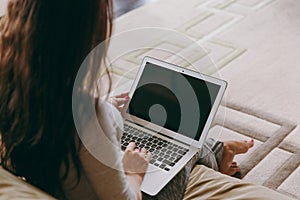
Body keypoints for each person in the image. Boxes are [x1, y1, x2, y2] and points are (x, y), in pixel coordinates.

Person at [0, 0, 293, 200]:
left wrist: (106, 108)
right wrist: (133, 170)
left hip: (65, 176)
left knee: (157, 131)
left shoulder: (16, 88)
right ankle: (218, 153)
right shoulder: (89, 115)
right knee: (182, 144)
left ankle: (218, 150)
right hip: (130, 188)